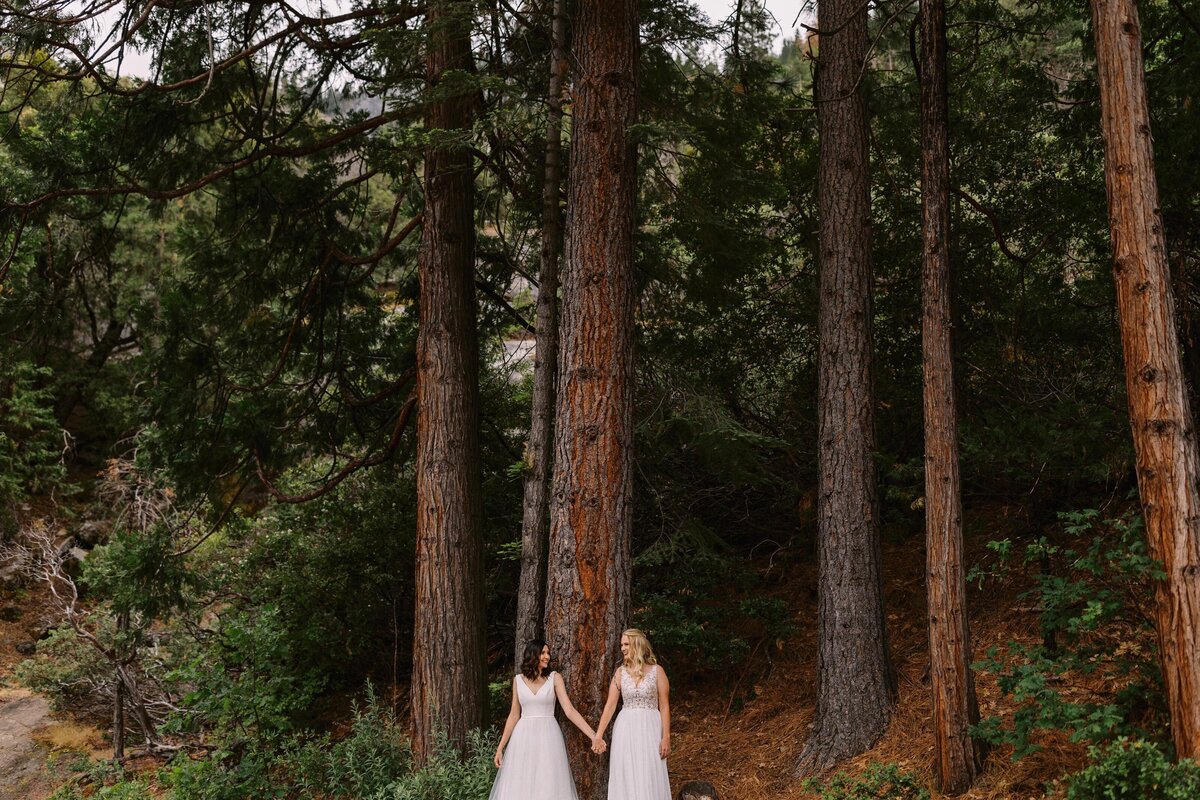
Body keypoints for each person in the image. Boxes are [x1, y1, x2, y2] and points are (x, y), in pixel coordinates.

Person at [490, 639, 597, 800]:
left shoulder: (554, 678)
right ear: (533, 655)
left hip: (548, 737)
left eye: (548, 653)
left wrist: (593, 735)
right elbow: (514, 715)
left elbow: (569, 711)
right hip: (523, 738)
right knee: (521, 780)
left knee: (548, 780)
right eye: (543, 653)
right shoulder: (518, 680)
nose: (547, 656)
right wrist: (500, 747)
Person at [591, 628, 672, 800]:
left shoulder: (658, 672)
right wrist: (598, 735)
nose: (622, 648)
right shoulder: (620, 673)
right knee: (626, 772)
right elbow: (610, 706)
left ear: (637, 644)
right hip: (625, 729)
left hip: (650, 728)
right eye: (622, 644)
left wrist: (666, 737)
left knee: (649, 771)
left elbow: (664, 706)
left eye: (626, 644)